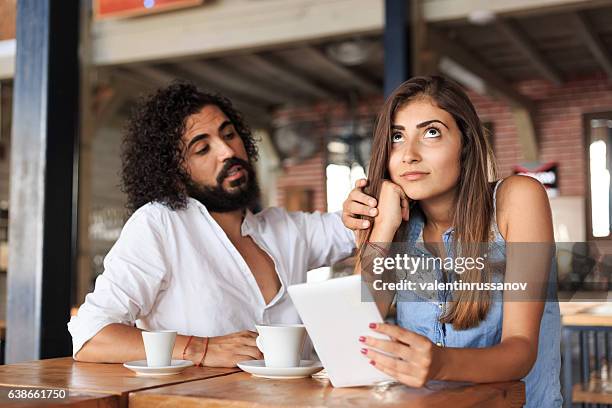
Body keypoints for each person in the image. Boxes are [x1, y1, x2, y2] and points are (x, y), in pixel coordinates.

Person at [68, 82, 355, 367]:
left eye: (229, 135)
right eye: (203, 149)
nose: (228, 152)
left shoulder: (284, 228)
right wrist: (199, 349)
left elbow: (358, 226)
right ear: (175, 173)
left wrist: (363, 200)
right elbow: (91, 336)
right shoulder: (160, 225)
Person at [342, 76, 561, 407]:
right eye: (397, 137)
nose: (409, 155)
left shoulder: (518, 198)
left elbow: (521, 351)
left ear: (466, 144)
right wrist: (382, 229)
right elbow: (353, 331)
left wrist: (440, 362)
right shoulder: (401, 228)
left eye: (431, 133)